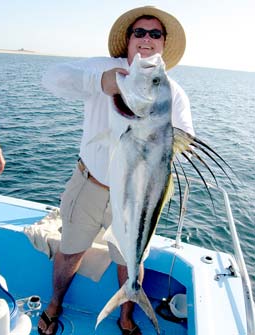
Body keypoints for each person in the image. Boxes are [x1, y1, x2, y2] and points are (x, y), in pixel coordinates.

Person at [38, 6, 194, 335]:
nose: (147, 39)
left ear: (163, 43)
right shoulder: (105, 68)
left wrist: (152, 136)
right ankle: (54, 303)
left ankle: (126, 315)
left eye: (155, 34)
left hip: (136, 197)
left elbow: (183, 141)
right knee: (70, 250)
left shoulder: (172, 92)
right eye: (140, 32)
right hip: (89, 184)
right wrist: (99, 82)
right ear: (128, 40)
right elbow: (50, 78)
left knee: (129, 262)